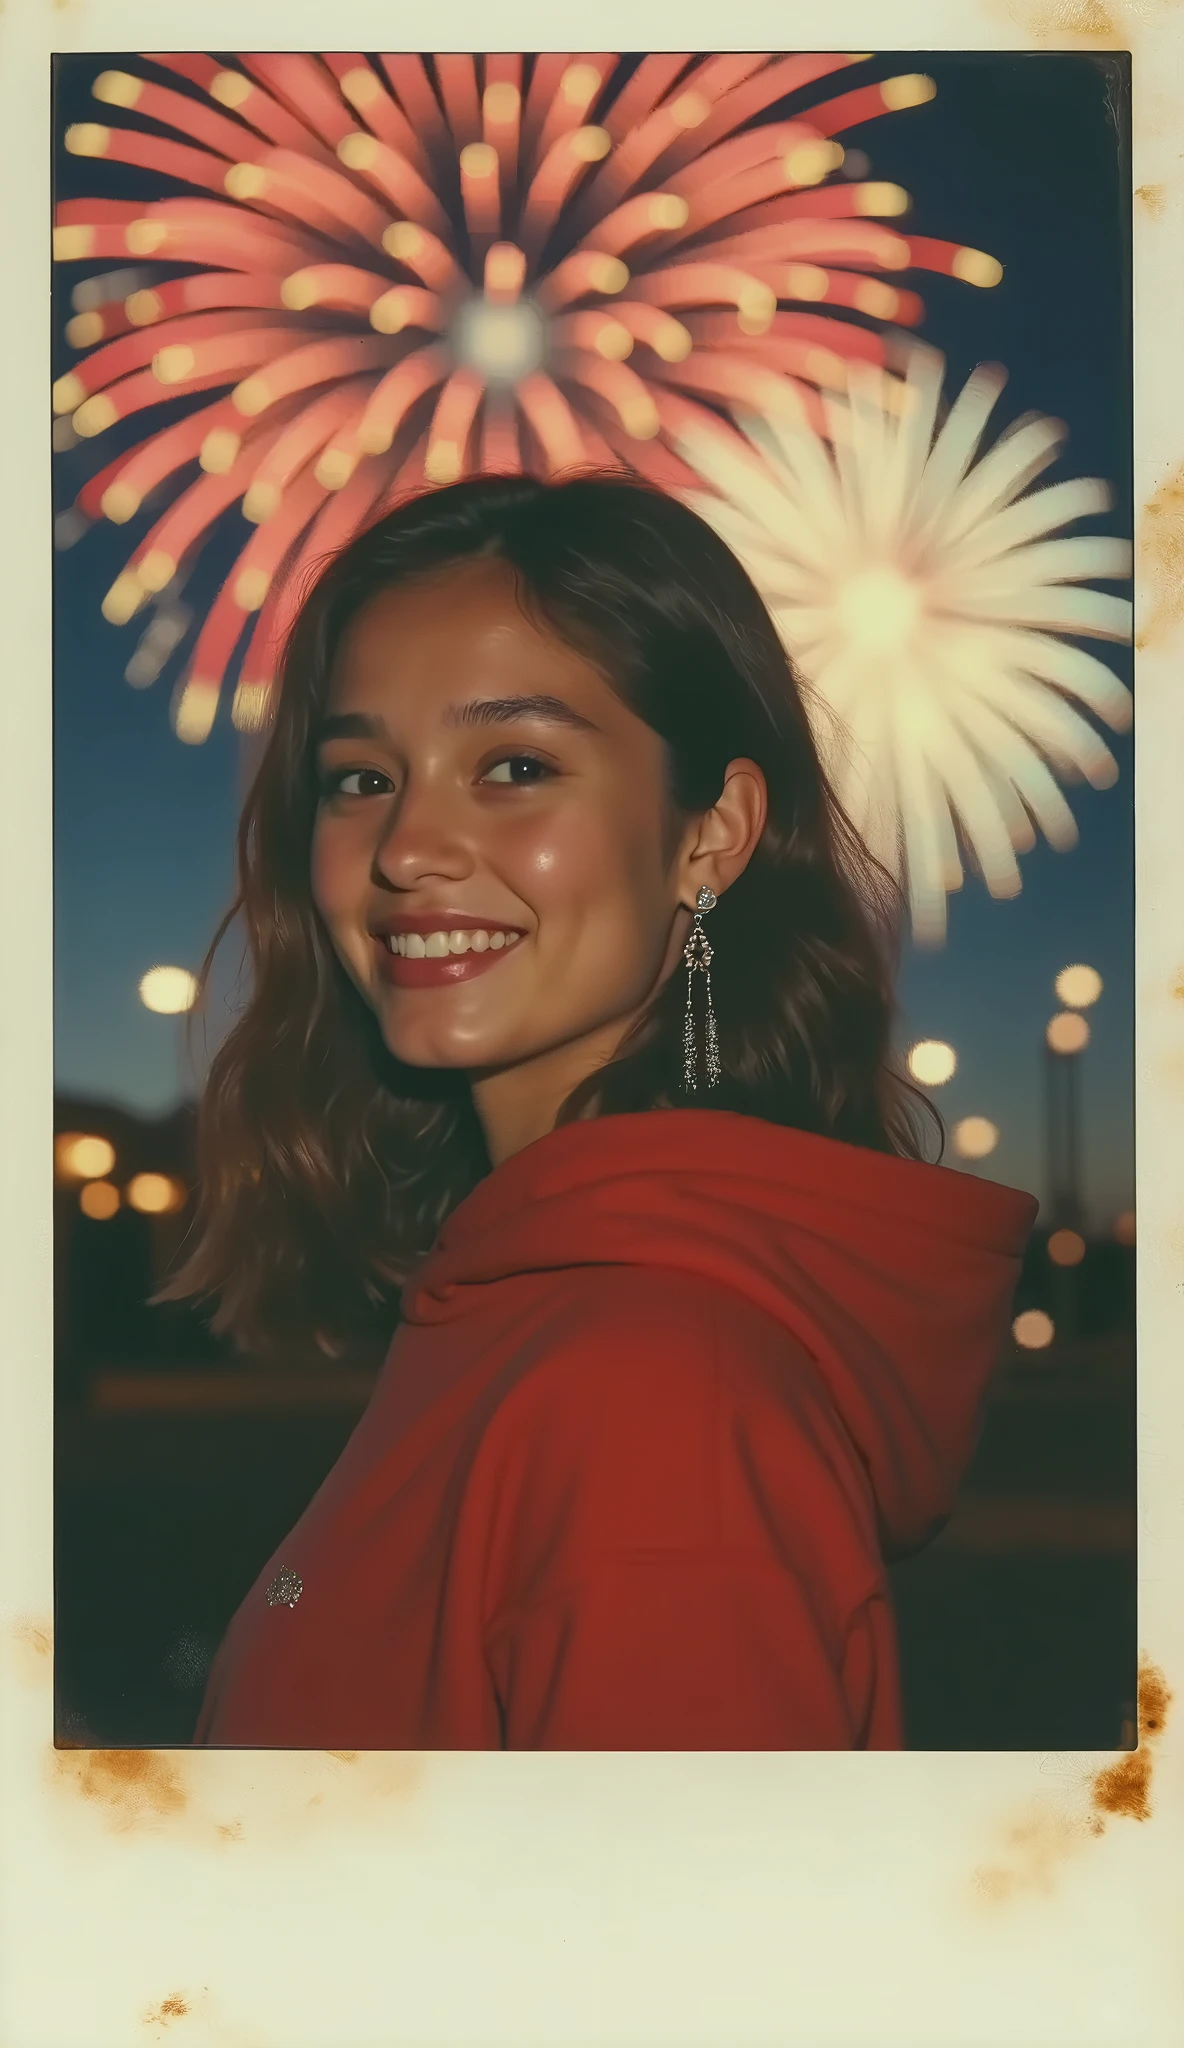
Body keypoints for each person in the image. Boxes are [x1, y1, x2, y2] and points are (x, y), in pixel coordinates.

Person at [163, 470, 1037, 1750]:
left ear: (712, 833)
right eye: (359, 779)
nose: (407, 846)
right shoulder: (523, 1299)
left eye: (513, 765)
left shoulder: (650, 1391)